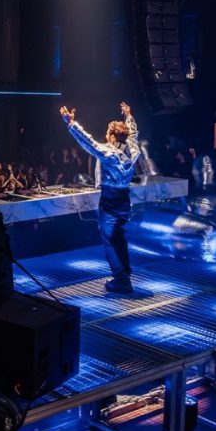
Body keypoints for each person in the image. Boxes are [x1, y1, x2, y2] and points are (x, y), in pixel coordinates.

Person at [61, 102, 140, 294]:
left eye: (107, 133)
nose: (105, 136)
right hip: (124, 198)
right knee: (118, 236)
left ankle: (121, 280)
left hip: (110, 199)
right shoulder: (133, 152)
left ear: (112, 136)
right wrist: (129, 116)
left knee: (108, 238)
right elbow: (133, 137)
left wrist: (71, 124)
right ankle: (125, 274)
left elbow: (88, 142)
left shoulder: (109, 153)